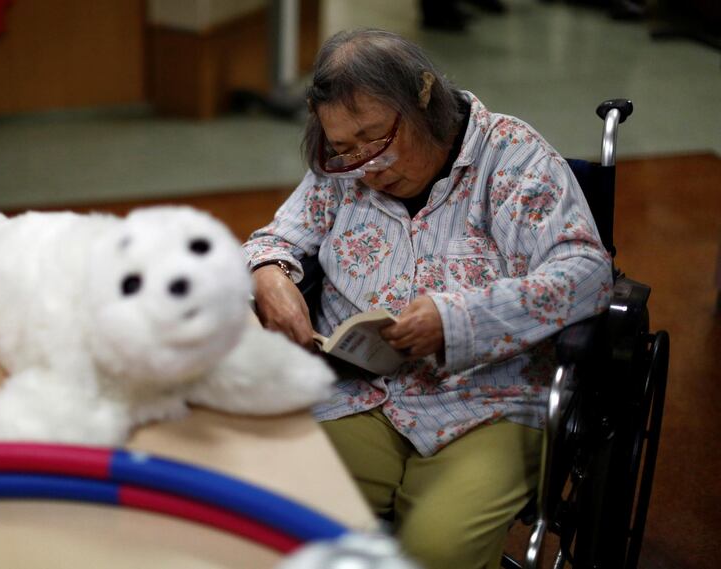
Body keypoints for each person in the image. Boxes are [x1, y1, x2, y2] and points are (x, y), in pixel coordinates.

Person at [244, 29, 612, 569]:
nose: (366, 166)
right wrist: (269, 274)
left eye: (375, 140)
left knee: (437, 550)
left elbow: (586, 273)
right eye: (345, 149)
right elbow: (274, 239)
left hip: (486, 403)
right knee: (269, 510)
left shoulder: (511, 159)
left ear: (423, 95)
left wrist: (457, 320)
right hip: (358, 394)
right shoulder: (342, 169)